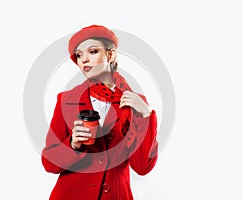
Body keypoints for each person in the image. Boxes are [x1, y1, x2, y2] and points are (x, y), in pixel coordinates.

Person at [41, 25, 158, 200]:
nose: (84, 60)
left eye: (92, 52)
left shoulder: (135, 101)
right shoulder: (66, 100)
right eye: (79, 55)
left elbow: (142, 167)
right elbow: (49, 163)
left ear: (110, 55)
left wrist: (146, 116)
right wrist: (72, 144)